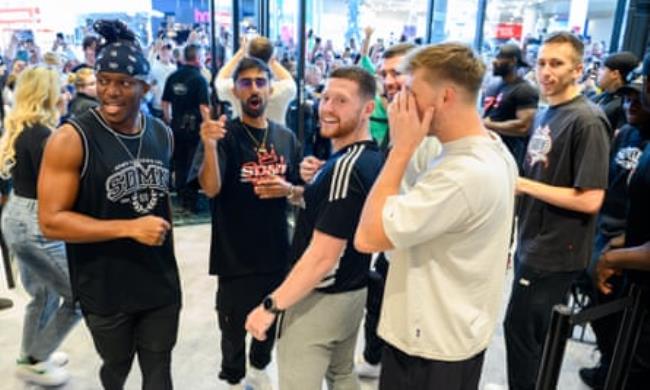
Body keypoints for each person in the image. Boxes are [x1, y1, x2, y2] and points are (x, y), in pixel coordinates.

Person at [354, 42, 517, 390]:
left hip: (430, 345)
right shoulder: (492, 149)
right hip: (454, 330)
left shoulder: (462, 174)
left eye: (412, 91)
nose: (401, 101)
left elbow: (367, 237)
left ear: (444, 98)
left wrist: (401, 148)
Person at [37, 20, 181, 390]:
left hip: (159, 281)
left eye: (124, 82)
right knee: (116, 366)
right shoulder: (71, 138)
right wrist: (128, 228)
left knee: (159, 371)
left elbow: (159, 202)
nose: (111, 92)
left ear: (146, 86)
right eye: (104, 80)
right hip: (104, 285)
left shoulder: (161, 133)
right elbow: (51, 222)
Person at [245, 66, 384, 390]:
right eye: (325, 98)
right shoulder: (363, 158)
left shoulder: (346, 168)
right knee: (342, 374)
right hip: (352, 291)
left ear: (367, 109)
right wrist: (298, 190)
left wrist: (271, 306)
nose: (328, 108)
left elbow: (323, 256)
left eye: (341, 100)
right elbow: (339, 212)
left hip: (321, 299)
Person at [503, 32, 611, 390]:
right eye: (542, 62)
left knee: (523, 335)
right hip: (533, 242)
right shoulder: (548, 112)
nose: (546, 71)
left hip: (555, 252)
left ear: (577, 70)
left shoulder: (588, 121)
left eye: (557, 63)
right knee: (527, 337)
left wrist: (523, 185)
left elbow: (591, 199)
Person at [197, 56, 300, 390]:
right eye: (246, 82)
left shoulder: (286, 138)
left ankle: (259, 367)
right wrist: (210, 147)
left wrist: (292, 188)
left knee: (270, 321)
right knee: (232, 329)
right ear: (236, 91)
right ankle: (234, 377)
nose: (254, 88)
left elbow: (301, 192)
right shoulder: (224, 136)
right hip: (234, 255)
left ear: (271, 89)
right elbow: (211, 188)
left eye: (260, 82)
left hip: (275, 252)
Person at [0, 67, 82, 387]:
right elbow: (58, 189)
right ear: (46, 94)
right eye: (60, 89)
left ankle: (32, 354)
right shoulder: (45, 135)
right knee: (80, 296)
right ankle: (36, 358)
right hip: (37, 224)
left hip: (17, 218)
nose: (65, 94)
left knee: (44, 293)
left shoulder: (21, 129)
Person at [591, 53, 650, 390]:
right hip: (613, 232)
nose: (633, 102)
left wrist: (616, 254)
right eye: (628, 96)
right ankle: (606, 364)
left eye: (640, 94)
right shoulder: (624, 133)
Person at [162, 43, 210, 213]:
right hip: (194, 128)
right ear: (197, 58)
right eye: (203, 55)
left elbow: (165, 102)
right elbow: (204, 107)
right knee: (193, 164)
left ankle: (182, 198)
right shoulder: (199, 79)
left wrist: (169, 120)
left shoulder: (173, 76)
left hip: (176, 126)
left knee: (179, 163)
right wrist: (208, 126)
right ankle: (191, 202)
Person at [216, 36, 296, 126]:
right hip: (276, 138)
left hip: (241, 137)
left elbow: (220, 80)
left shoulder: (239, 87)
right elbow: (289, 80)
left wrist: (240, 53)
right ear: (271, 56)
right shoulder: (283, 89)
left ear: (248, 57)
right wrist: (272, 61)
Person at [483, 43, 539, 170]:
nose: (494, 62)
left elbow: (524, 127)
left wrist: (488, 125)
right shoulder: (493, 85)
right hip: (489, 150)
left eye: (499, 58)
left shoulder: (525, 89)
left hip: (509, 156)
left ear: (512, 61)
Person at [592, 51, 639, 136]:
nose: (598, 72)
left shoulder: (624, 104)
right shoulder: (597, 96)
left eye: (603, 69)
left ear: (614, 74)